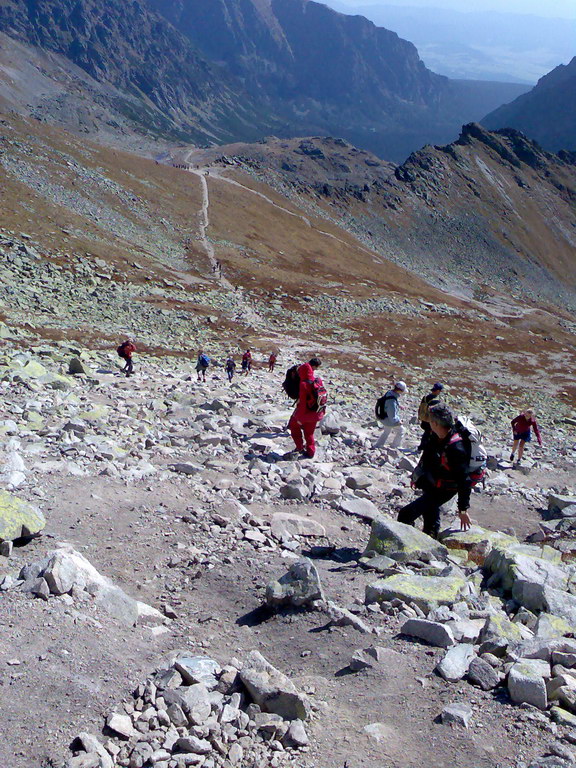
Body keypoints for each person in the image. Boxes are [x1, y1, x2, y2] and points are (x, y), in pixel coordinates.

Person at [398, 404, 481, 538]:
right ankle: (430, 539)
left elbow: (464, 481)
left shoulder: (456, 448)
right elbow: (428, 454)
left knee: (405, 515)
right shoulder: (437, 434)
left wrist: (463, 509)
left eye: (430, 420)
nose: (428, 423)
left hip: (445, 489)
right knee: (430, 512)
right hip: (433, 481)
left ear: (435, 423)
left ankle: (406, 543)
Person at [288, 358, 326, 459]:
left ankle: (300, 447)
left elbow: (303, 404)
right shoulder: (318, 380)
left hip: (306, 413)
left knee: (293, 426)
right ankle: (311, 452)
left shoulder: (304, 384)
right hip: (317, 413)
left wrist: (300, 419)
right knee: (309, 433)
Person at [374, 381, 407, 449]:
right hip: (388, 420)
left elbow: (388, 403)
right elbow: (392, 417)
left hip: (383, 417)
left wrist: (399, 406)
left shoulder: (390, 393)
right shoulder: (392, 401)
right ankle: (395, 446)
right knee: (401, 431)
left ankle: (378, 445)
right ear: (399, 390)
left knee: (387, 431)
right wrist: (399, 421)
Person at [417, 382, 444, 450]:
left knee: (426, 433)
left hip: (424, 418)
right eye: (440, 390)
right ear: (438, 390)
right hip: (431, 420)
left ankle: (421, 447)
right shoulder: (435, 401)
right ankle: (425, 448)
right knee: (430, 434)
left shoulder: (425, 397)